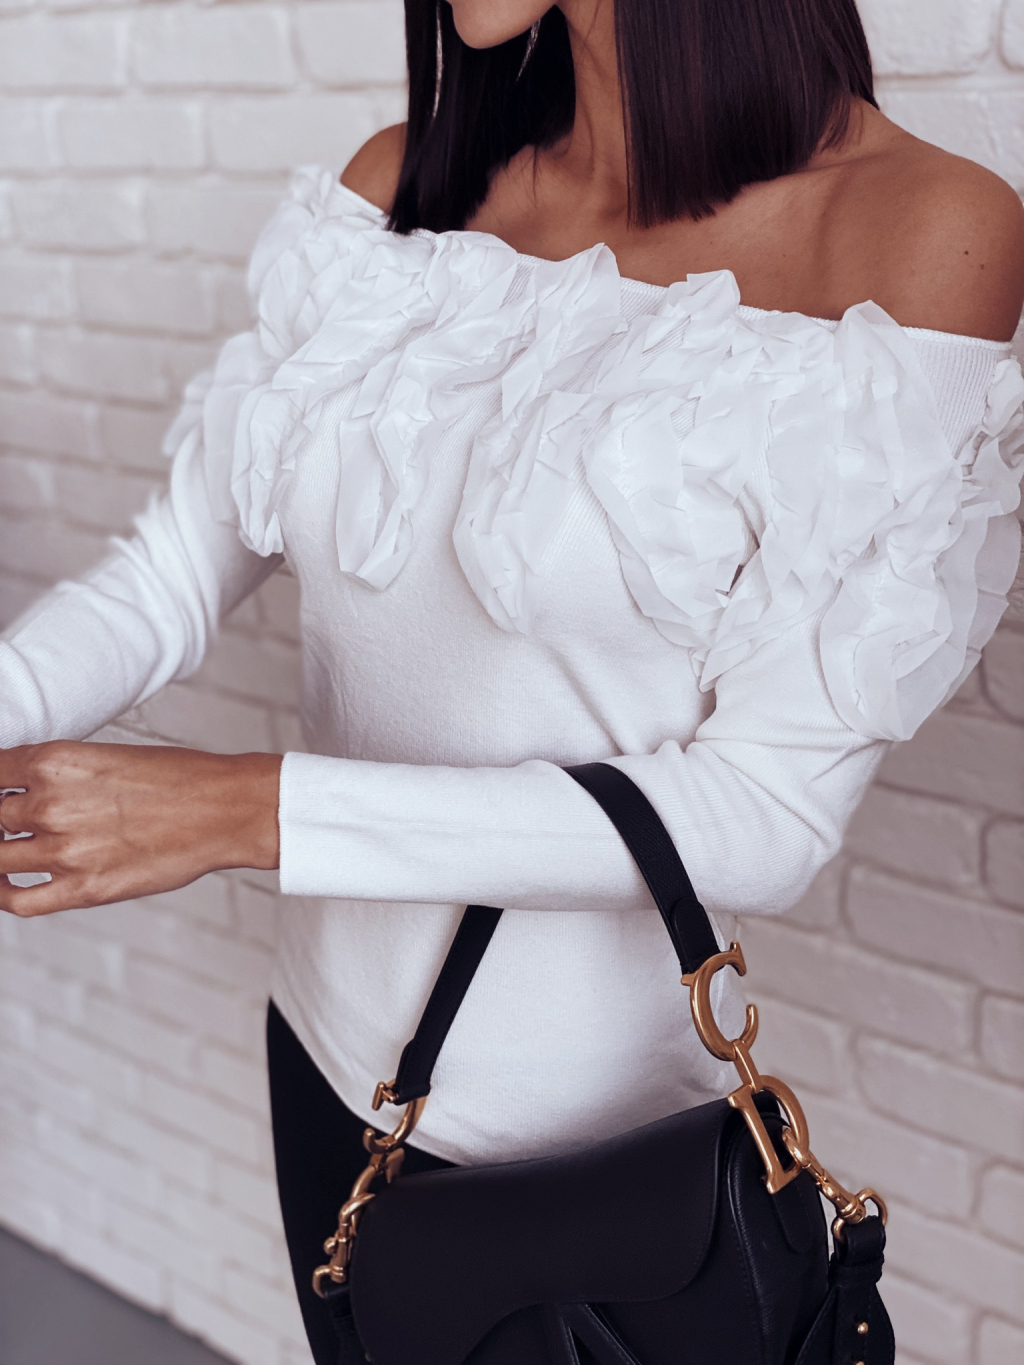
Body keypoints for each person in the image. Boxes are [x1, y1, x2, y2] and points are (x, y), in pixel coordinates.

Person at [2, 0, 1024, 1360]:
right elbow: (168, 577)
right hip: (327, 1067)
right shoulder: (401, 188)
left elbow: (762, 813)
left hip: (601, 1177)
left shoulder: (918, 231)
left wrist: (246, 811)